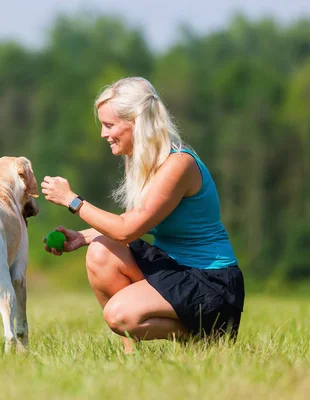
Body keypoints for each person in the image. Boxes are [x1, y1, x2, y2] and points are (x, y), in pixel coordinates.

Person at [41, 77, 245, 353]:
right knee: (100, 252)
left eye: (109, 125)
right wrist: (81, 237)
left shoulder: (179, 164)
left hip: (210, 284)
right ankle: (131, 357)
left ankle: (207, 336)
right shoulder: (146, 163)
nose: (103, 134)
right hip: (173, 269)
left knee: (119, 314)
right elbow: (131, 221)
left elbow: (128, 230)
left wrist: (73, 201)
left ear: (136, 123)